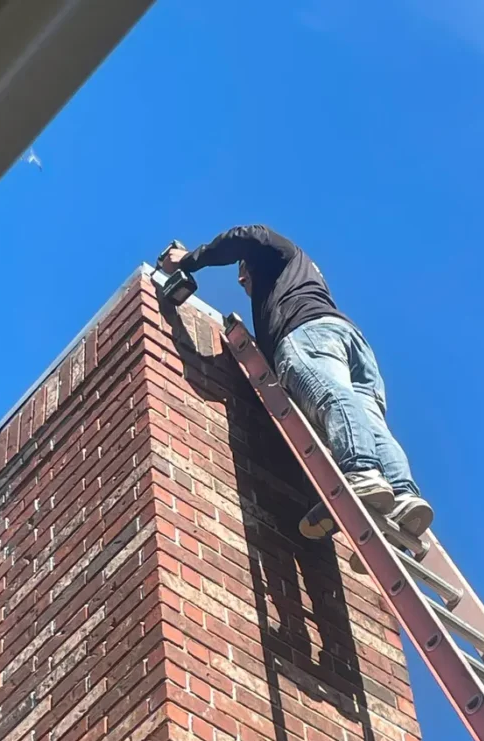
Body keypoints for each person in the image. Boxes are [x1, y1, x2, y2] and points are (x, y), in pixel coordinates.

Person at [161, 226, 433, 539]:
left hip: (308, 333)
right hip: (348, 340)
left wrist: (189, 259)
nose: (240, 280)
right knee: (371, 423)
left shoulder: (282, 255)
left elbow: (249, 236)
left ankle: (361, 471)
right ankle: (403, 496)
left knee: (330, 396)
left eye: (243, 270)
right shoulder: (302, 279)